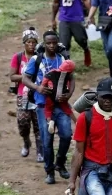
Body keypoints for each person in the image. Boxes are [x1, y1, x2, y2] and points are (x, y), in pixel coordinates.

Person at [22, 30, 72, 184]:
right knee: (47, 139)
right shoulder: (37, 60)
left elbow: (71, 78)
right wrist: (37, 88)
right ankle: (49, 171)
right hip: (43, 106)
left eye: (54, 42)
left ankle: (61, 163)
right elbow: (25, 78)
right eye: (48, 43)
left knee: (66, 135)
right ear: (43, 44)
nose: (51, 45)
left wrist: (69, 94)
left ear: (58, 43)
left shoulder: (62, 59)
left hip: (61, 104)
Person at [9, 27, 43, 162]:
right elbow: (12, 76)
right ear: (24, 43)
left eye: (33, 42)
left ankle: (40, 150)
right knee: (23, 121)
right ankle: (26, 141)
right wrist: (25, 77)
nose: (31, 45)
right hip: (22, 94)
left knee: (38, 123)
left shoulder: (40, 57)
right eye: (28, 42)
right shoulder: (18, 57)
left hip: (37, 94)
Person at [52, 0, 92, 67]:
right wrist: (53, 19)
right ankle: (67, 65)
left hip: (77, 17)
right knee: (64, 44)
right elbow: (56, 2)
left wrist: (91, 15)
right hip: (64, 17)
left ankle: (86, 50)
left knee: (81, 39)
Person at [40, 60, 76, 135]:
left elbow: (44, 81)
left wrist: (42, 86)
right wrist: (68, 93)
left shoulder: (52, 72)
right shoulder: (67, 75)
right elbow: (69, 84)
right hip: (61, 97)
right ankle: (76, 122)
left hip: (51, 95)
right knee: (67, 109)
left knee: (48, 109)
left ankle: (50, 121)